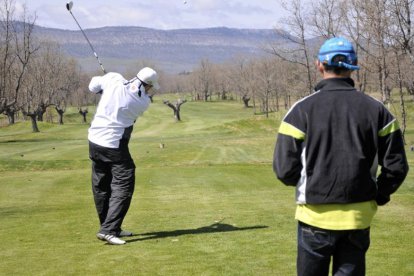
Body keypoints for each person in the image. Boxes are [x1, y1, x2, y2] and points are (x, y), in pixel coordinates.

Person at [273, 37, 409, 275]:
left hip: (313, 217)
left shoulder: (300, 110)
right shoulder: (377, 110)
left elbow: (284, 170)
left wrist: (312, 182)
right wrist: (380, 194)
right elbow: (396, 166)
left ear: (319, 65)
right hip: (358, 218)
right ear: (354, 65)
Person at [88, 67, 160, 245]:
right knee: (124, 182)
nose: (150, 91)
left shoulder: (113, 79)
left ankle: (110, 227)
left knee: (102, 184)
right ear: (146, 86)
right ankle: (109, 230)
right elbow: (127, 96)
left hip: (94, 141)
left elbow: (92, 87)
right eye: (150, 87)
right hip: (114, 145)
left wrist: (106, 85)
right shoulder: (142, 102)